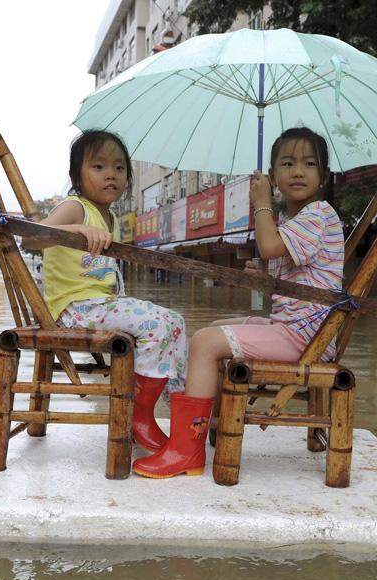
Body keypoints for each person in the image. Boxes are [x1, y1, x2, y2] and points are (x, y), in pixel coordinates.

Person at [132, 127, 345, 479]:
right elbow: (284, 271)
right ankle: (204, 425)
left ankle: (186, 450)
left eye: (309, 163)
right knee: (213, 329)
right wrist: (264, 276)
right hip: (295, 329)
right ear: (274, 174)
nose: (298, 171)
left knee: (203, 343)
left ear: (323, 177)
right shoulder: (295, 219)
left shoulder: (318, 214)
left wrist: (262, 202)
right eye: (288, 163)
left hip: (305, 337)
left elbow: (270, 247)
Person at [20, 130, 188, 453]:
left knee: (175, 320)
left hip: (98, 306)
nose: (111, 174)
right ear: (77, 177)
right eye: (98, 167)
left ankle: (183, 411)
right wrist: (74, 230)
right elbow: (30, 238)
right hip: (73, 310)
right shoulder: (75, 208)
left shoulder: (108, 217)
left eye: (119, 168)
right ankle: (139, 415)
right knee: (160, 323)